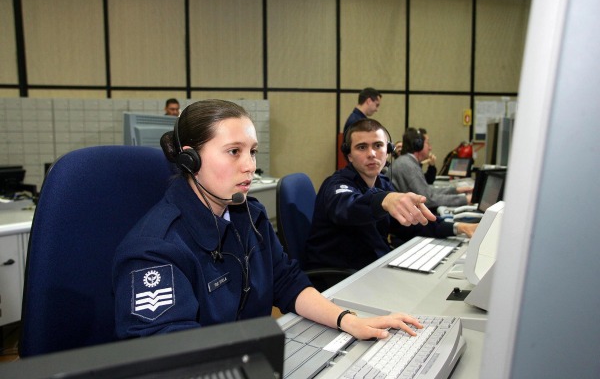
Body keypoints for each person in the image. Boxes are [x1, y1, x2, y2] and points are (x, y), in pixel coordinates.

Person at [113, 99, 425, 341]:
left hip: (251, 356)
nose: (250, 165)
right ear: (190, 158)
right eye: (234, 152)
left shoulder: (249, 214)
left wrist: (348, 320)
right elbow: (167, 357)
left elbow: (286, 281)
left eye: (253, 152)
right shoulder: (154, 251)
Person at [305, 119, 477, 271]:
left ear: (388, 150)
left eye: (378, 145)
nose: (371, 153)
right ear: (349, 155)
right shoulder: (336, 185)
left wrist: (458, 227)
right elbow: (348, 207)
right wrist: (384, 200)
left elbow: (411, 224)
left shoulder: (382, 183)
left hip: (372, 268)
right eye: (362, 147)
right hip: (339, 277)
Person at [388, 128, 472, 209]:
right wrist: (465, 199)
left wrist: (456, 190)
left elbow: (427, 191)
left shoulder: (407, 161)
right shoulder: (408, 165)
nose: (430, 148)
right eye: (427, 143)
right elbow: (427, 200)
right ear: (419, 145)